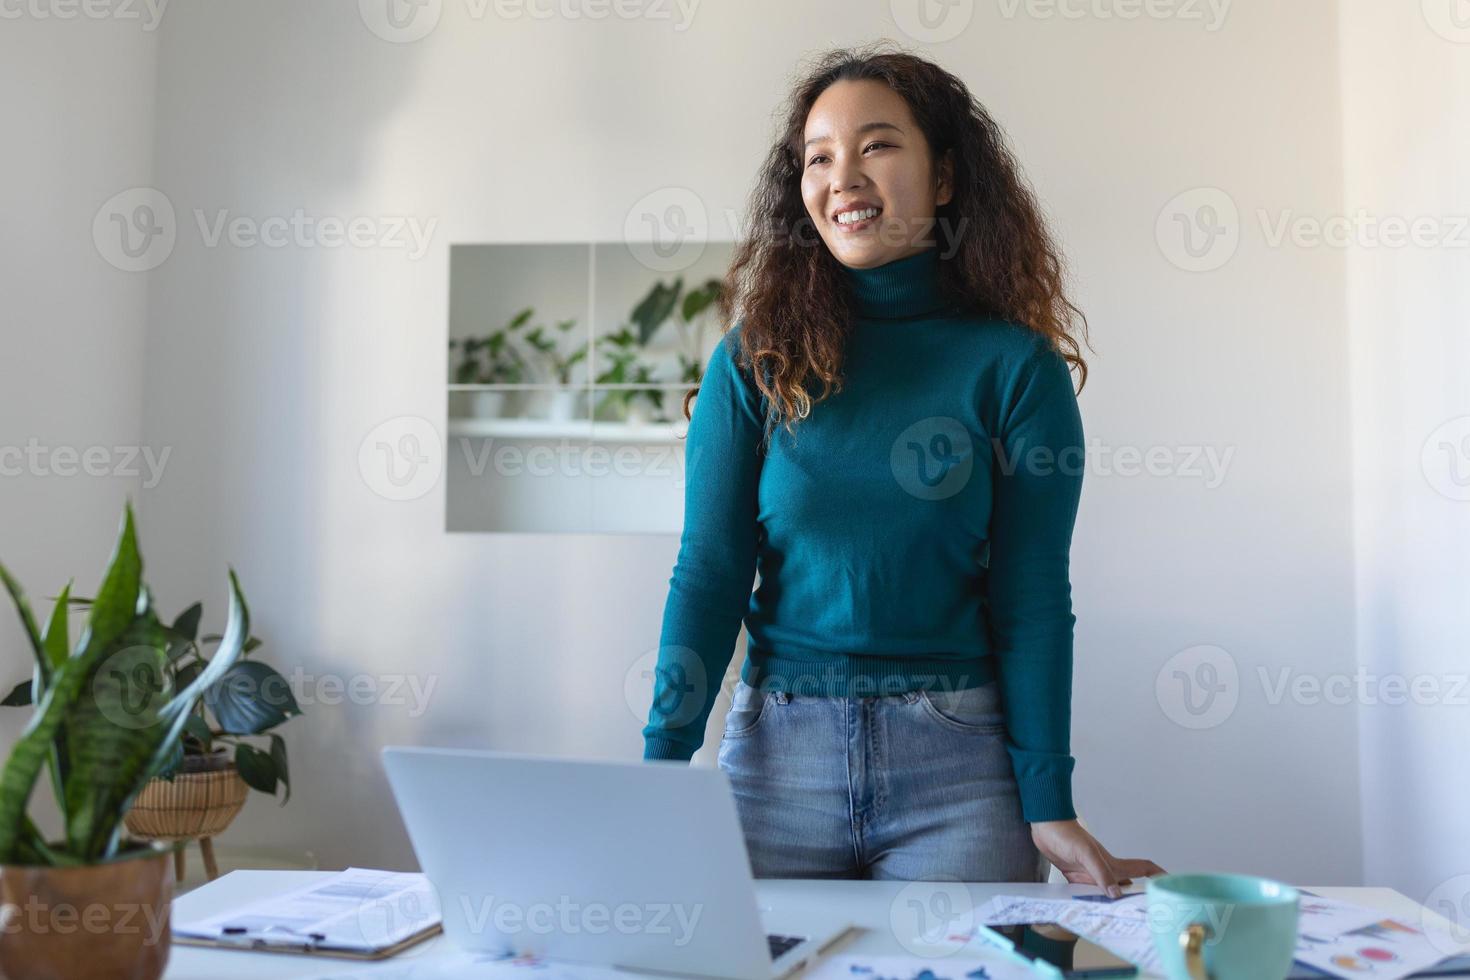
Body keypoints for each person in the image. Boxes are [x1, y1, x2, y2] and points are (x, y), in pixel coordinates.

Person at [641, 43, 1164, 893]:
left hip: (958, 773)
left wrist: (1049, 803)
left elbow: (1031, 598)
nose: (842, 175)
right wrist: (661, 765)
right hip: (776, 763)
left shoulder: (1014, 369)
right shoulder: (755, 362)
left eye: (876, 145)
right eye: (818, 157)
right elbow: (709, 571)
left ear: (947, 179)